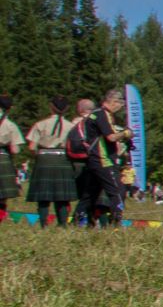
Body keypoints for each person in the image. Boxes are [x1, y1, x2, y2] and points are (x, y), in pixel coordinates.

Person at [76, 88, 130, 228]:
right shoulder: (102, 114)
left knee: (90, 193)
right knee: (116, 190)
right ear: (113, 101)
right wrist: (125, 133)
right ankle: (117, 222)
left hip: (94, 160)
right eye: (120, 104)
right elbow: (111, 137)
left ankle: (78, 220)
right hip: (103, 159)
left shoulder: (94, 114)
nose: (120, 108)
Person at [25, 97, 77, 227]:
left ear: (51, 107)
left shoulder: (40, 124)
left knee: (44, 195)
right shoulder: (72, 127)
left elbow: (31, 147)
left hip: (44, 159)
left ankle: (43, 224)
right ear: (66, 109)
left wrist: (40, 155)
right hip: (63, 159)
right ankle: (63, 224)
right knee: (62, 196)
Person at [0, 96, 20, 223]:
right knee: (2, 195)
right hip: (2, 158)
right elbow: (15, 150)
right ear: (10, 108)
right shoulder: (10, 125)